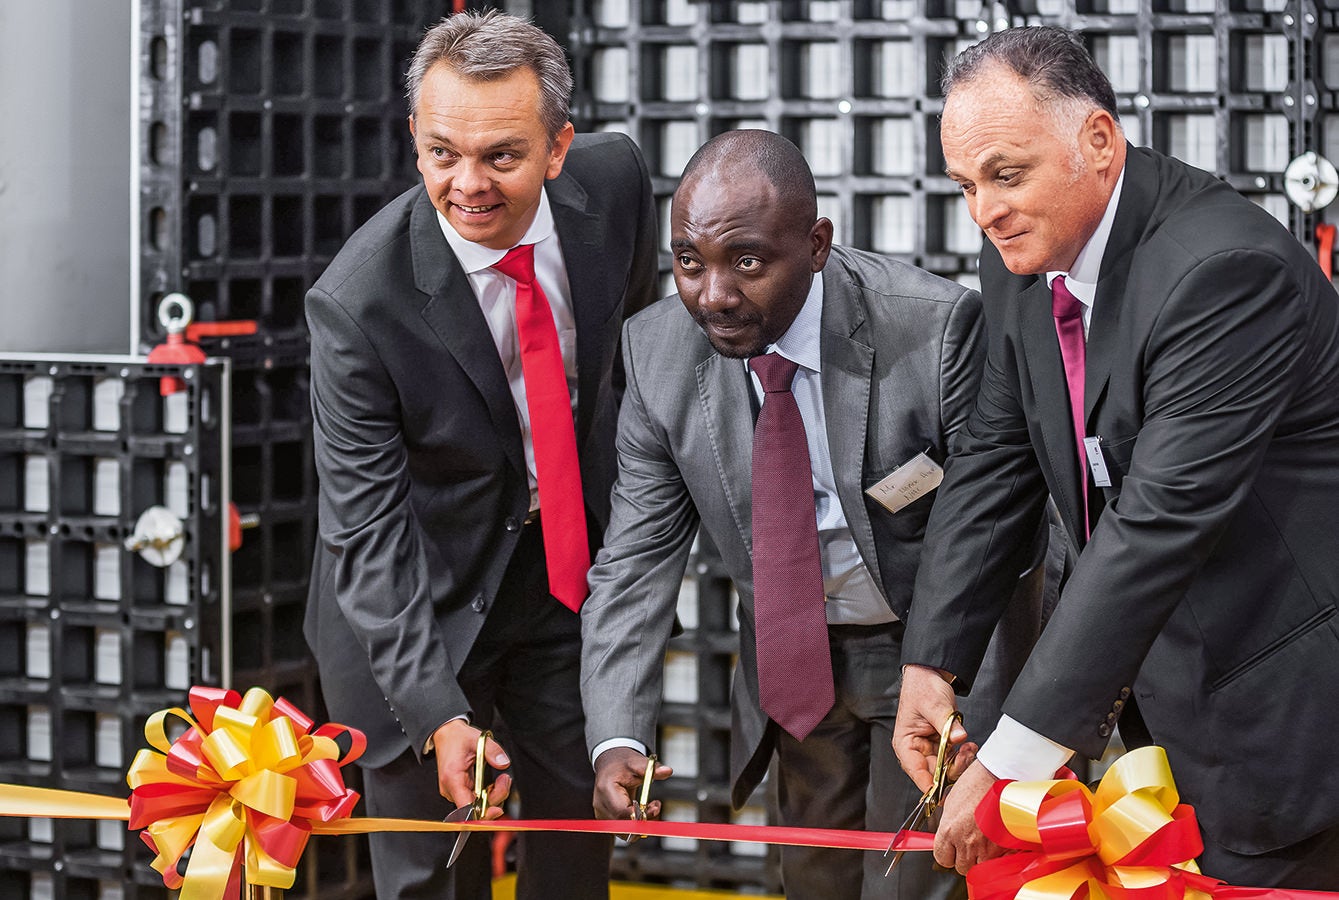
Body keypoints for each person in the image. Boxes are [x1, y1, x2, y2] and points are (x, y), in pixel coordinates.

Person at [893, 25, 1339, 890]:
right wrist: (931, 659)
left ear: (1096, 140)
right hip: (1158, 706)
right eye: (965, 185)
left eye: (1005, 175)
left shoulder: (1225, 271)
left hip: (1282, 714)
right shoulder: (1025, 254)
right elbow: (993, 455)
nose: (984, 211)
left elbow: (1155, 522)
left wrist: (1013, 757)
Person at [579, 129, 1054, 899]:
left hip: (935, 650)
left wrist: (955, 680)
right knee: (812, 878)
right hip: (796, 661)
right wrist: (616, 734)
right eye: (689, 261)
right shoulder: (655, 351)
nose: (713, 294)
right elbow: (634, 561)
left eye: (747, 262)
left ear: (816, 244)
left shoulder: (934, 331)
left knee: (911, 884)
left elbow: (1002, 527)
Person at [303, 11, 658, 899]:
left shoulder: (616, 186)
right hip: (414, 603)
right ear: (414, 139)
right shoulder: (357, 303)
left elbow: (641, 349)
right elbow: (367, 530)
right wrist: (435, 716)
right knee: (430, 879)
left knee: (577, 859)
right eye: (441, 153)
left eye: (501, 154)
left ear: (558, 146)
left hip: (563, 574)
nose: (468, 184)